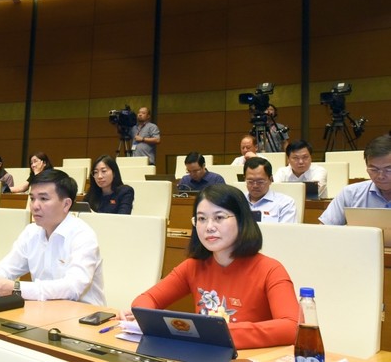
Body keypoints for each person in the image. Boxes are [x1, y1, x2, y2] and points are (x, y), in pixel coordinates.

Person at [131, 184, 298, 349]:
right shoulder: (193, 266)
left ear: (241, 220)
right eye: (202, 219)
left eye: (219, 217)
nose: (209, 227)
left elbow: (292, 327)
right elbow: (145, 301)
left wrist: (215, 333)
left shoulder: (270, 269)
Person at [0, 169, 105, 305]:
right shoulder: (31, 232)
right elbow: (5, 269)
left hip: (84, 317)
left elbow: (73, 287)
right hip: (43, 310)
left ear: (66, 204)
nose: (35, 206)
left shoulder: (82, 235)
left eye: (43, 199)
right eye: (32, 198)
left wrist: (17, 288)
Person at [319, 134, 391, 225]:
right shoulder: (350, 193)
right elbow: (324, 228)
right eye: (374, 169)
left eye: (388, 169)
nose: (381, 176)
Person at [243, 157, 296, 223]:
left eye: (260, 181)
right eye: (250, 181)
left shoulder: (285, 203)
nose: (255, 186)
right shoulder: (236, 200)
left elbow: (286, 231)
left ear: (270, 180)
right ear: (244, 179)